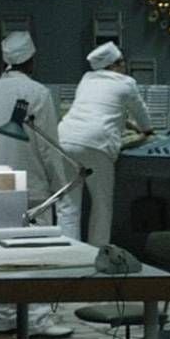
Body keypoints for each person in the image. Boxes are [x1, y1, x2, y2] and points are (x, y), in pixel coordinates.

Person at [0, 31, 72, 339]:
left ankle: (4, 316)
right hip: (32, 186)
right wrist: (61, 184)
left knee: (1, 256)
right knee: (37, 254)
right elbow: (48, 145)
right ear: (31, 60)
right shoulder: (37, 93)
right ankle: (38, 319)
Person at [57, 42, 154, 246]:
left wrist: (128, 124)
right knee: (101, 205)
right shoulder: (126, 83)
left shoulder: (87, 79)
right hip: (96, 145)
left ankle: (69, 254)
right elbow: (140, 111)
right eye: (122, 62)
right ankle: (98, 253)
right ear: (114, 65)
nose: (124, 66)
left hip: (65, 139)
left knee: (68, 205)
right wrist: (146, 130)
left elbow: (99, 109)